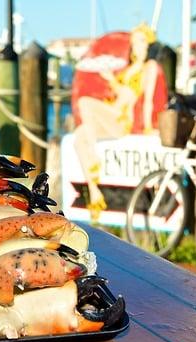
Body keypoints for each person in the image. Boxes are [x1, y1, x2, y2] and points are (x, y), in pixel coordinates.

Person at [73, 24, 166, 220]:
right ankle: (94, 190)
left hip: (122, 121)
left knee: (85, 103)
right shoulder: (131, 68)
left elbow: (141, 98)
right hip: (111, 114)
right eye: (135, 42)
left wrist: (149, 127)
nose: (137, 46)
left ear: (149, 43)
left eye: (141, 41)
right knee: (79, 137)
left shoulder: (149, 67)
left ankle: (94, 162)